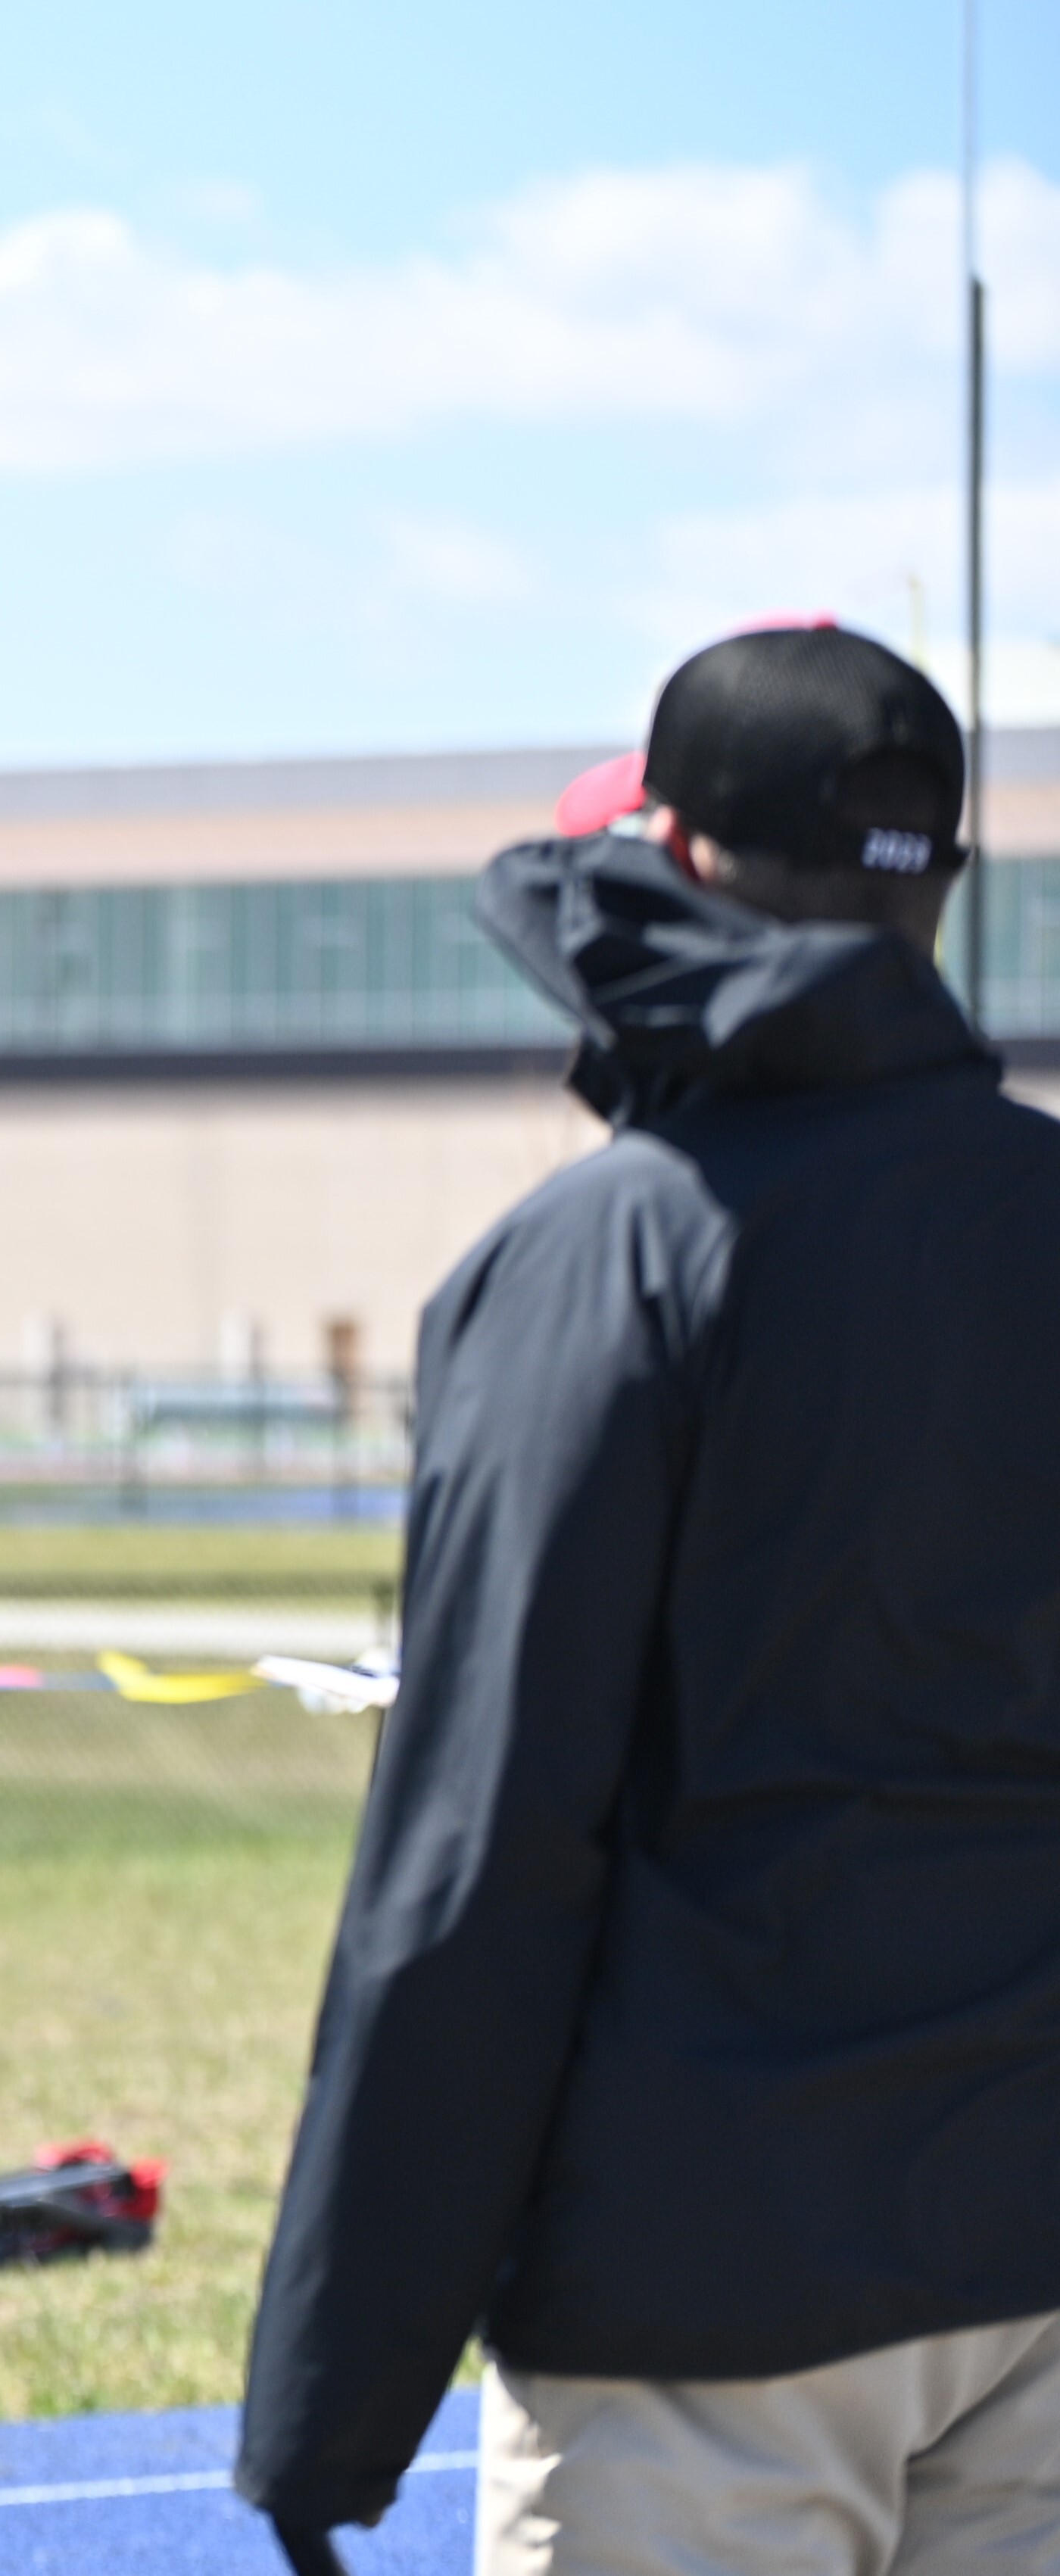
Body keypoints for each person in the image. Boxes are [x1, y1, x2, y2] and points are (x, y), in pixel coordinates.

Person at [234, 625, 1060, 2576]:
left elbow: (482, 1849)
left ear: (669, 853)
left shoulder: (617, 1250)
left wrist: (333, 2401)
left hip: (711, 2297)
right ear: (943, 881)